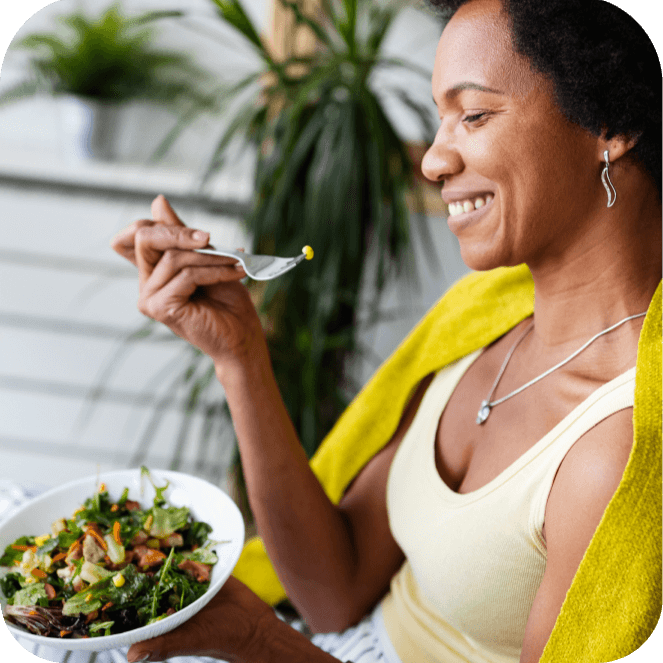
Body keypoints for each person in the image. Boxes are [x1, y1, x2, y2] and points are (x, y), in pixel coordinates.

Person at [103, 1, 663, 662]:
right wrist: (239, 355)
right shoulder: (483, 320)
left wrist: (256, 640)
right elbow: (332, 586)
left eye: (474, 115)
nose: (432, 160)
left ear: (609, 123)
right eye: (438, 118)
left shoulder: (617, 449)